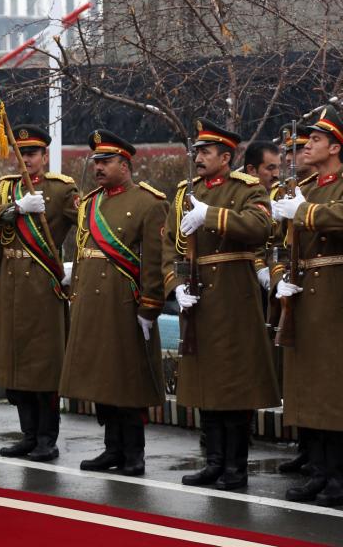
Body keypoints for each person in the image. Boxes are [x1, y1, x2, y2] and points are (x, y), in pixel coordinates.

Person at [163, 118, 279, 490]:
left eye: (206, 152)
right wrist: (175, 285)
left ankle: (235, 467)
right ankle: (213, 461)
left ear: (226, 156)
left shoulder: (246, 188)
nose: (199, 158)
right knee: (205, 384)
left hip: (234, 299)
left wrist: (210, 215)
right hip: (198, 297)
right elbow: (168, 243)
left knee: (234, 384)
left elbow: (261, 227)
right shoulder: (185, 192)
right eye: (197, 151)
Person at [58, 131, 168, 476]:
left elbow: (153, 261)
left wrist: (150, 306)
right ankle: (112, 448)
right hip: (92, 303)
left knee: (127, 380)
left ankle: (134, 453)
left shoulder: (149, 203)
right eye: (96, 162)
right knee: (102, 379)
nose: (99, 168)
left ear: (125, 164)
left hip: (124, 304)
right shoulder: (90, 203)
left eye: (106, 162)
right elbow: (80, 251)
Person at [0, 125, 80, 460]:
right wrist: (16, 208)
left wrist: (73, 270)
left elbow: (88, 227)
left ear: (44, 156)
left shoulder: (62, 190)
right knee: (16, 364)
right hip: (12, 286)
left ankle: (47, 438)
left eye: (34, 153)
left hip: (43, 287)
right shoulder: (8, 189)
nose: (29, 159)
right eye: (24, 153)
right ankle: (28, 434)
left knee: (43, 367)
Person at [271, 103, 343, 506]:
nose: (306, 147)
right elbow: (281, 249)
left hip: (335, 297)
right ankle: (318, 470)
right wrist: (281, 281)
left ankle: (337, 476)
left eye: (315, 140)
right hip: (302, 300)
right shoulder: (306, 188)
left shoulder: (328, 190)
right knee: (310, 390)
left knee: (333, 390)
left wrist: (307, 212)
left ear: (335, 147)